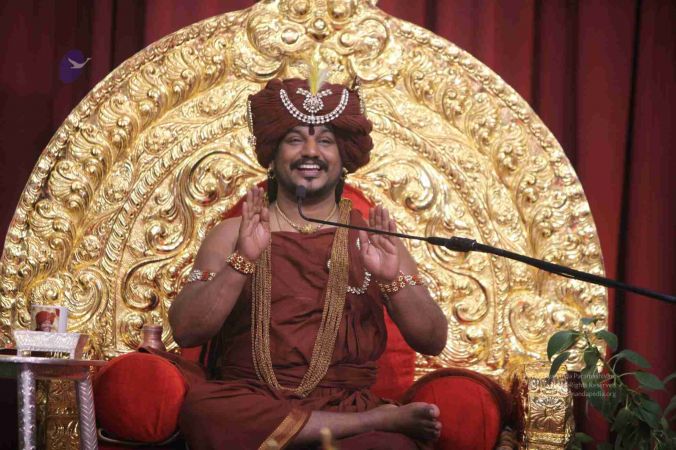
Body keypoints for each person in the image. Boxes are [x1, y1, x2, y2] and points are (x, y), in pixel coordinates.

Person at [168, 77, 449, 449]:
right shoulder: (232, 233)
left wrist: (391, 280)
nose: (311, 152)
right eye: (295, 139)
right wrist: (243, 260)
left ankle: (343, 426)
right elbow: (186, 331)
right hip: (254, 400)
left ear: (343, 158)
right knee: (204, 411)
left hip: (344, 402)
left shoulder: (372, 239)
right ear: (273, 155)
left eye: (326, 141)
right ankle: (373, 420)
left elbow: (433, 340)